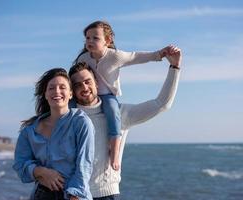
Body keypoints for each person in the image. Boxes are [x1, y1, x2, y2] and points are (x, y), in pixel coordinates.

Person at [67, 45, 182, 199]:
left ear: (96, 82)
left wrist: (174, 67)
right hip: (74, 194)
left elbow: (161, 104)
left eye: (88, 81)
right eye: (77, 85)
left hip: (107, 194)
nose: (84, 87)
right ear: (72, 90)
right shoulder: (66, 116)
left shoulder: (120, 114)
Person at [73, 20, 177, 171]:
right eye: (87, 38)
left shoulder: (115, 56)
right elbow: (75, 75)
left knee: (114, 115)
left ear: (107, 41)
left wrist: (159, 54)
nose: (90, 41)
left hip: (108, 96)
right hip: (88, 98)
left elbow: (136, 57)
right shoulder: (83, 59)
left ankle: (114, 152)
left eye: (95, 38)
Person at [12, 68, 95, 200]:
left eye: (62, 87)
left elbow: (84, 165)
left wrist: (75, 195)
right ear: (45, 94)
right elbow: (19, 164)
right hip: (41, 195)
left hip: (73, 196)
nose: (57, 91)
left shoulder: (81, 122)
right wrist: (41, 171)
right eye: (51, 88)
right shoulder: (29, 130)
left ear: (70, 94)